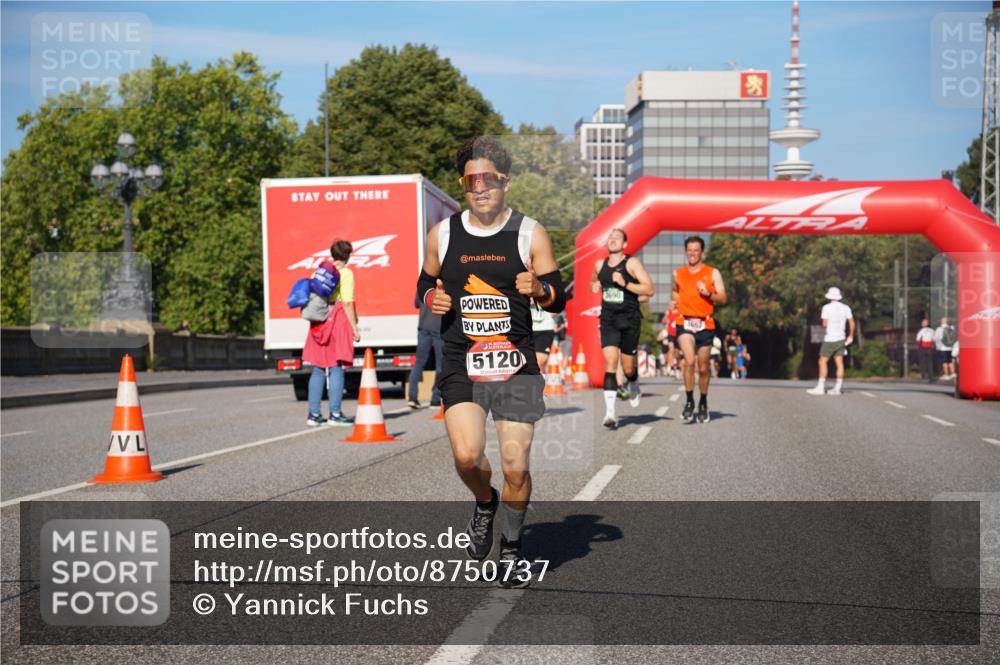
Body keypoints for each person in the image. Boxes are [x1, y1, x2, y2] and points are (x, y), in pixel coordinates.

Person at [416, 136, 565, 588]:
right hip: (463, 360)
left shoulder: (529, 232)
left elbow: (560, 293)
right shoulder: (442, 234)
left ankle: (513, 546)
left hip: (516, 364)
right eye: (470, 181)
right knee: (467, 456)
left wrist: (540, 289)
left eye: (488, 180)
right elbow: (423, 282)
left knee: (517, 466)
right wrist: (431, 298)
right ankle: (485, 502)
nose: (479, 188)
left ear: (505, 182)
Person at [589, 229, 655, 428]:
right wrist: (595, 285)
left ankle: (633, 381)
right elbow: (593, 280)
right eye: (610, 236)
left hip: (630, 319)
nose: (613, 239)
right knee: (610, 362)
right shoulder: (600, 264)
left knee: (627, 368)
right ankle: (610, 413)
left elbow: (649, 289)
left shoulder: (632, 263)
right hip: (609, 319)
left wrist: (624, 282)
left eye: (617, 237)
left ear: (625, 244)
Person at [302, 240, 360, 426]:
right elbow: (348, 303)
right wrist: (354, 328)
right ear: (348, 255)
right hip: (337, 318)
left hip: (318, 320)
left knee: (318, 368)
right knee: (336, 367)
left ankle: (314, 414)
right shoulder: (346, 273)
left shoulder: (318, 272)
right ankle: (335, 414)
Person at [673, 236, 727, 423]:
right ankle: (689, 401)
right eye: (689, 250)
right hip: (684, 322)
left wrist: (708, 293)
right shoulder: (678, 273)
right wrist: (675, 302)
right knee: (689, 360)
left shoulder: (712, 273)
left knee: (703, 368)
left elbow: (723, 298)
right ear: (685, 252)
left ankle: (703, 402)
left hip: (705, 324)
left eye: (696, 250)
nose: (692, 253)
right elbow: (675, 291)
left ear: (702, 252)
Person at [807, 287, 854, 395]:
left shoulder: (826, 308)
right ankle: (837, 388)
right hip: (841, 338)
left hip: (829, 338)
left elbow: (824, 324)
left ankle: (821, 386)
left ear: (829, 297)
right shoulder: (846, 308)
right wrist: (850, 336)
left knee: (822, 361)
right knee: (839, 363)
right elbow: (852, 323)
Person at [407, 299, 443, 409]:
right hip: (439, 328)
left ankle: (412, 398)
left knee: (419, 363)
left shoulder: (422, 283)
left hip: (423, 327)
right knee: (440, 365)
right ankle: (435, 399)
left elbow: (416, 304)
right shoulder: (445, 284)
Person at [531, 300, 558, 370]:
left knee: (539, 362)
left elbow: (556, 311)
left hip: (545, 328)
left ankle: (538, 379)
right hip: (525, 328)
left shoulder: (549, 289)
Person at [915, 318, 936, 382]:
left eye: (922, 323)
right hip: (930, 347)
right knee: (930, 362)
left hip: (923, 347)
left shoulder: (921, 330)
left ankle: (923, 375)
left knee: (922, 361)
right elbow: (934, 339)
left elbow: (918, 339)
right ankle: (931, 377)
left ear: (924, 324)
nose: (922, 324)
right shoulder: (932, 330)